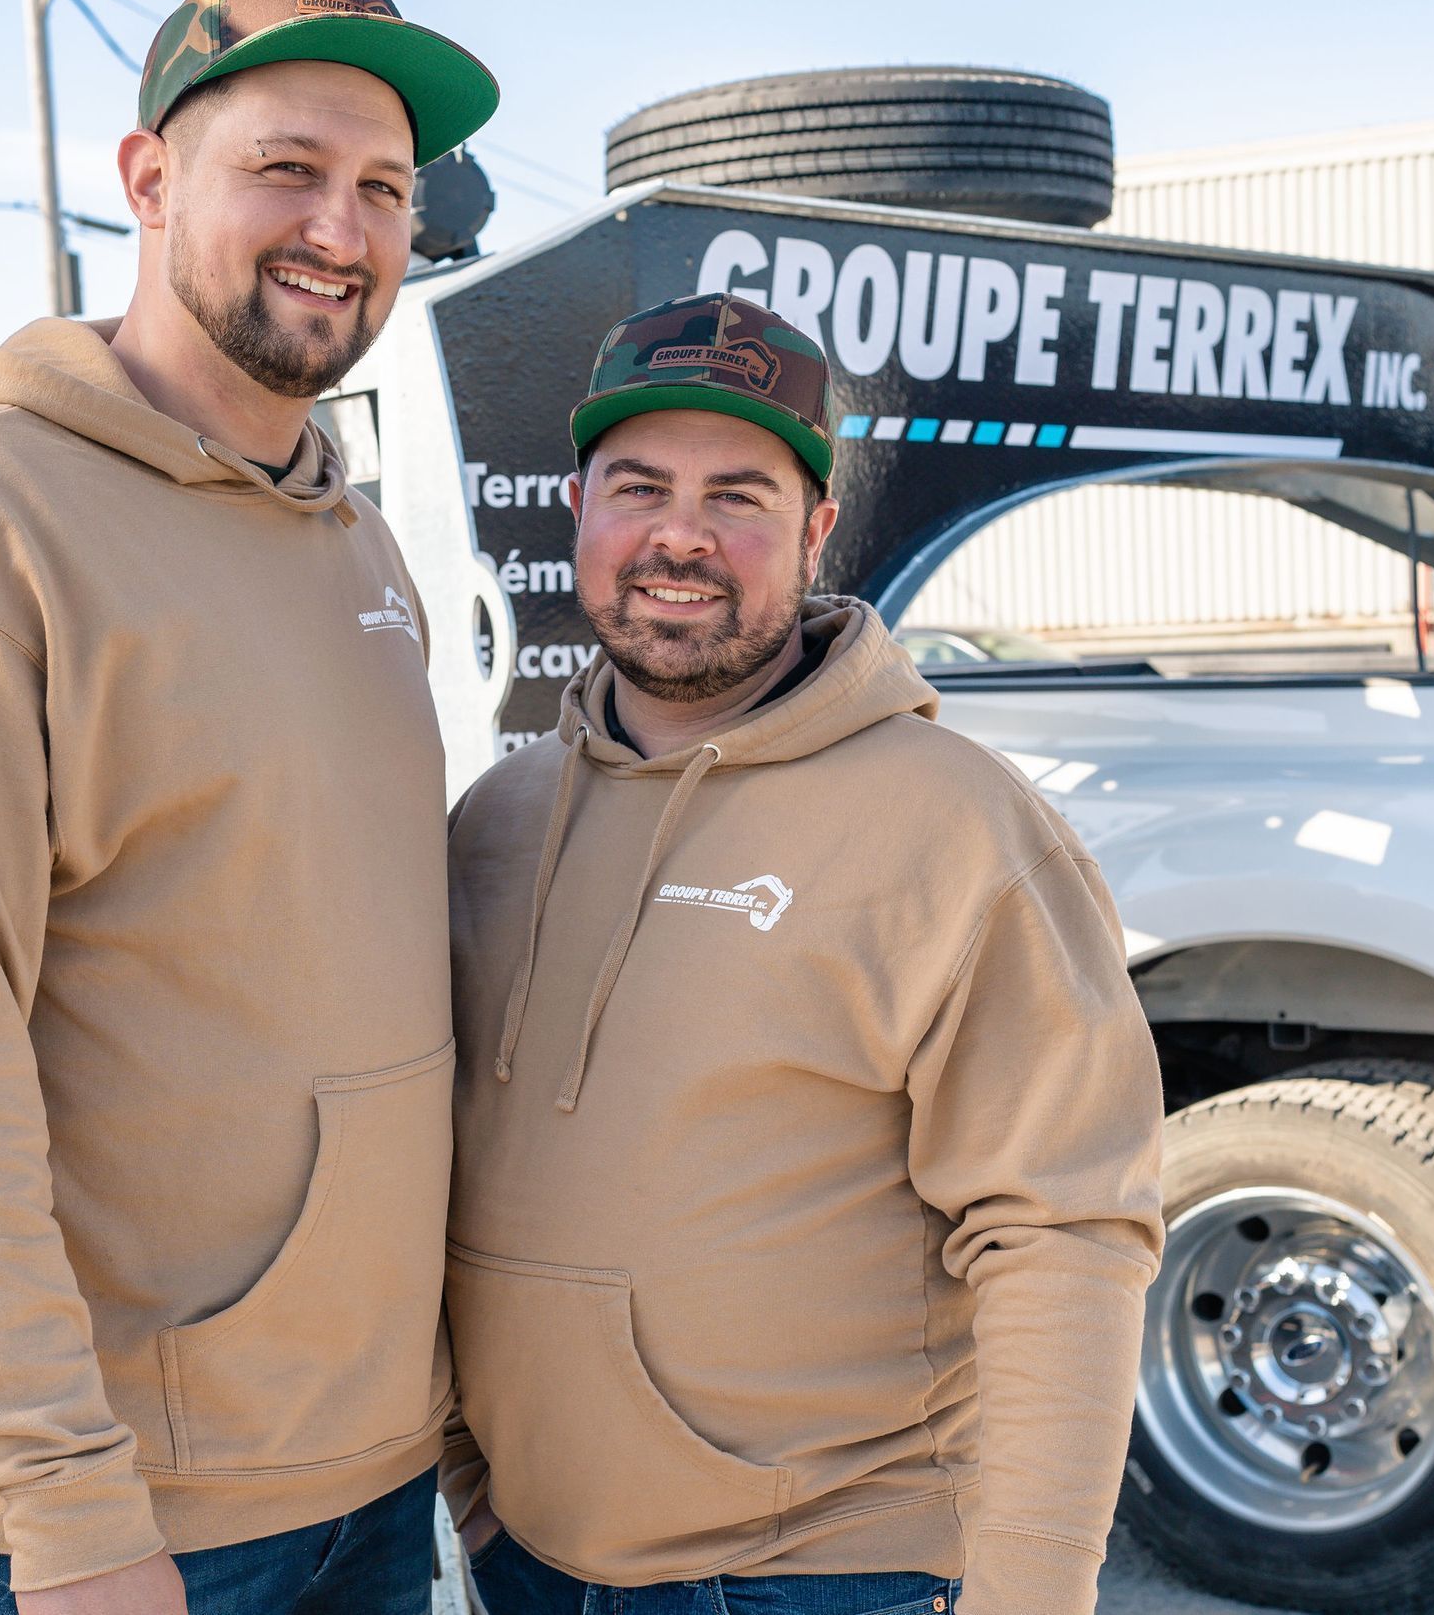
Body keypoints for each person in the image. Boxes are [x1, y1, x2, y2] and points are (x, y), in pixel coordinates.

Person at [0, 0, 497, 1615]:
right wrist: (65, 1507)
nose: (344, 225)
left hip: (365, 1474)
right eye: (288, 170)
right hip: (123, 1520)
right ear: (151, 176)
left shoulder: (349, 530)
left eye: (384, 187)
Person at [441, 291, 1165, 1615]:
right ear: (579, 506)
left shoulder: (957, 824)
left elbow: (1063, 1232)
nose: (680, 535)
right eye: (640, 486)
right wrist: (473, 1493)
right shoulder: (499, 822)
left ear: (818, 528)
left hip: (822, 1577)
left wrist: (1033, 1591)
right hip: (534, 1565)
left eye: (739, 495)